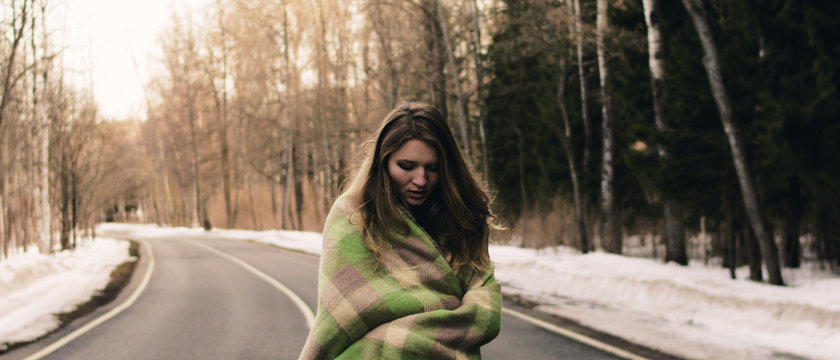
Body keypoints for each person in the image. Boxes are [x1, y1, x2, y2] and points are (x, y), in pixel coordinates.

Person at [299, 102, 502, 359]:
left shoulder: (460, 222)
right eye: (406, 166)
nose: (420, 180)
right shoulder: (352, 217)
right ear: (382, 163)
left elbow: (485, 308)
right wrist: (390, 342)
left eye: (433, 168)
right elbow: (340, 315)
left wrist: (401, 337)